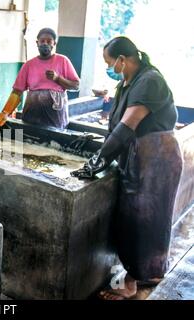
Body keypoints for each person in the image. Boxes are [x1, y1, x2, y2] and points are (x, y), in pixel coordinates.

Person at [71, 36, 183, 300]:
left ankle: (135, 280)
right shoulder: (127, 82)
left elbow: (127, 126)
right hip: (139, 157)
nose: (109, 68)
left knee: (146, 219)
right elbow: (117, 125)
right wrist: (97, 143)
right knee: (134, 218)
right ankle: (142, 272)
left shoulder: (149, 81)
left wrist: (97, 161)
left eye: (110, 63)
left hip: (156, 159)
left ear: (123, 60)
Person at [0, 27, 80, 130]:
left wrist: (58, 79)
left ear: (54, 43)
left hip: (55, 118)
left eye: (49, 41)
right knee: (29, 141)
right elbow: (17, 92)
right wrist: (5, 112)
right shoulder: (28, 65)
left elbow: (76, 85)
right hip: (31, 115)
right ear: (37, 43)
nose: (45, 43)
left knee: (54, 143)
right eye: (42, 41)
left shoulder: (63, 61)